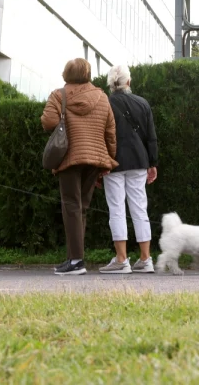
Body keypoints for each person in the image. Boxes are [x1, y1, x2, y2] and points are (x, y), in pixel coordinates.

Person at [41, 57, 118, 275]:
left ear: (67, 73)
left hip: (69, 157)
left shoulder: (59, 95)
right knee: (81, 208)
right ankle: (75, 259)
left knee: (71, 207)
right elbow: (110, 131)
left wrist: (64, 119)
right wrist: (109, 159)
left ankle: (75, 261)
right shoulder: (102, 97)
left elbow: (47, 122)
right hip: (94, 159)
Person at [98, 64, 159, 274]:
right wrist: (152, 163)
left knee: (116, 209)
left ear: (110, 84)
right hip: (139, 160)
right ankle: (146, 259)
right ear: (128, 82)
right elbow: (151, 137)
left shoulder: (104, 104)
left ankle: (121, 260)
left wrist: (100, 163)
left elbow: (101, 136)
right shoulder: (142, 103)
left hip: (113, 163)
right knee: (139, 208)